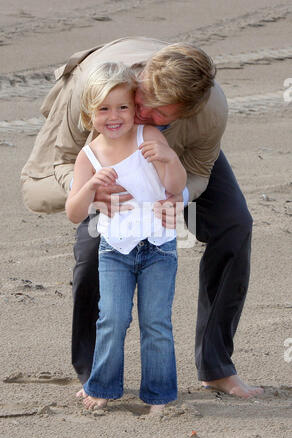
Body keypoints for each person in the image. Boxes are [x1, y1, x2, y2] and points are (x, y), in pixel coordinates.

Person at [21, 37, 264, 399]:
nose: (144, 113)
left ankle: (216, 367)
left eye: (159, 112)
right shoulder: (96, 90)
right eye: (143, 99)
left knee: (235, 225)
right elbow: (65, 158)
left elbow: (199, 169)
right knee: (92, 253)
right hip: (102, 153)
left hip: (171, 156)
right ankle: (93, 376)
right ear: (143, 78)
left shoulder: (209, 111)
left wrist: (176, 197)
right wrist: (89, 189)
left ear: (185, 111)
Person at [65, 62, 186, 412]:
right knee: (112, 318)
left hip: (159, 248)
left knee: (156, 322)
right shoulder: (88, 156)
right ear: (90, 114)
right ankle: (102, 386)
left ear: (135, 110)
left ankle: (159, 396)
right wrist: (90, 185)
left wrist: (169, 158)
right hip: (114, 251)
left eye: (122, 107)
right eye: (103, 109)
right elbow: (74, 212)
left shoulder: (148, 137)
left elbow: (174, 187)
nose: (114, 116)